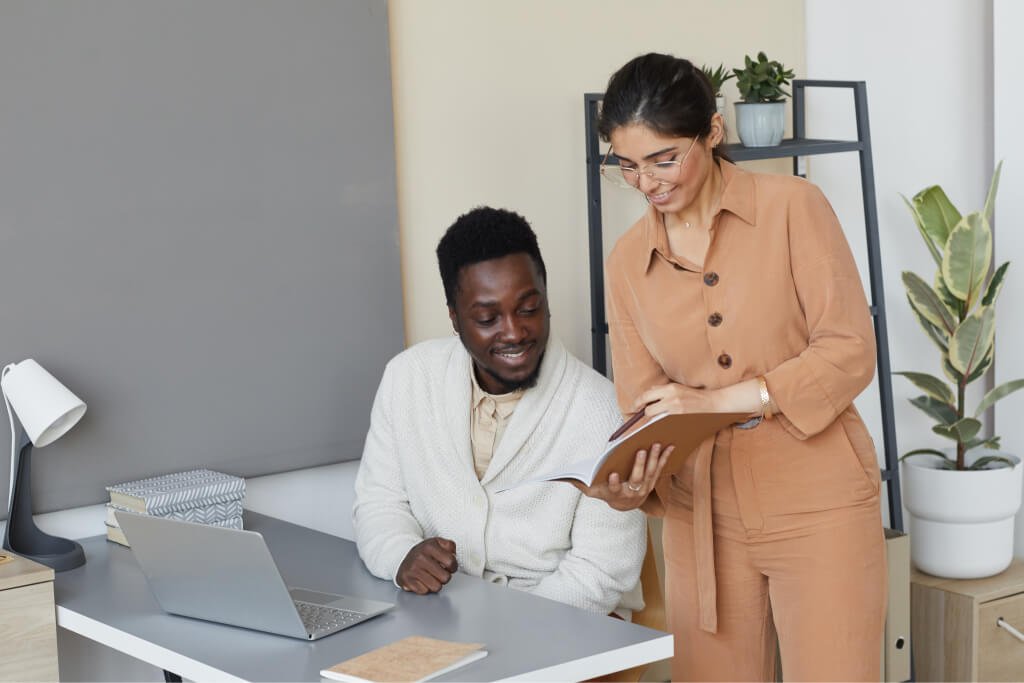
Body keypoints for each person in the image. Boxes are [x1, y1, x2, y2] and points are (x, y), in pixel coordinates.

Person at [574, 53, 887, 681]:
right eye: (627, 165)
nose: (646, 182)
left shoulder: (795, 207)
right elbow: (645, 402)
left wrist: (717, 401)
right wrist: (633, 484)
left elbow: (849, 349)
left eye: (664, 159)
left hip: (817, 499)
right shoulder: (626, 261)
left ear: (713, 131)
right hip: (700, 515)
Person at [353, 206, 646, 617]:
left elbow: (601, 572)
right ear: (455, 318)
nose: (514, 332)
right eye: (487, 318)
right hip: (439, 616)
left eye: (528, 309)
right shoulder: (408, 378)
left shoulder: (604, 412)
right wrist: (401, 554)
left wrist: (505, 628)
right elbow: (378, 503)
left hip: (563, 624)